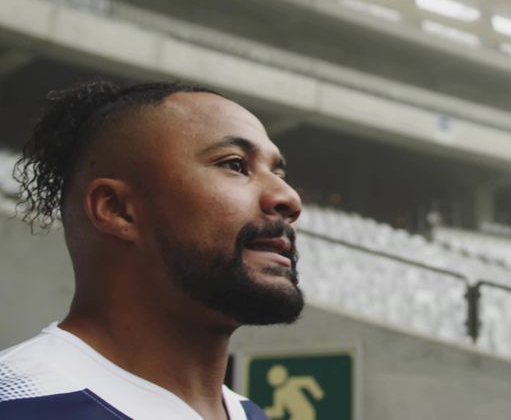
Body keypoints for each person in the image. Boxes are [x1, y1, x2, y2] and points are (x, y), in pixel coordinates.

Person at [0, 80, 303, 419]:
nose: (289, 198)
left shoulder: (252, 414)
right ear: (117, 209)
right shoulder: (19, 403)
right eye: (234, 164)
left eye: (279, 172)